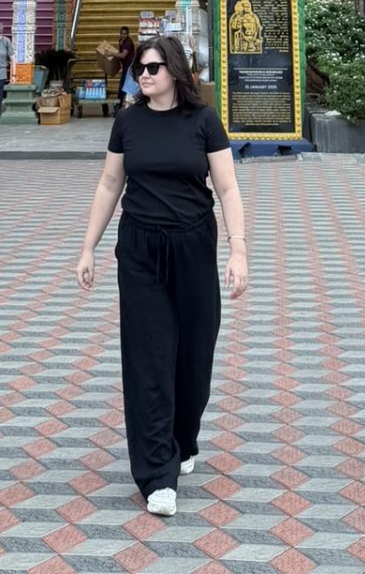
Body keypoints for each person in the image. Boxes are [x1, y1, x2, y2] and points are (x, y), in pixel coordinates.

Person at [75, 35, 248, 517]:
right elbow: (111, 183)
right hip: (140, 250)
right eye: (140, 70)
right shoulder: (127, 122)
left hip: (193, 246)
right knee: (149, 357)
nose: (144, 76)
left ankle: (182, 438)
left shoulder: (203, 122)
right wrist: (87, 247)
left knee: (194, 356)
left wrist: (239, 251)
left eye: (152, 68)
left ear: (174, 70)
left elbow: (228, 188)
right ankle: (156, 474)